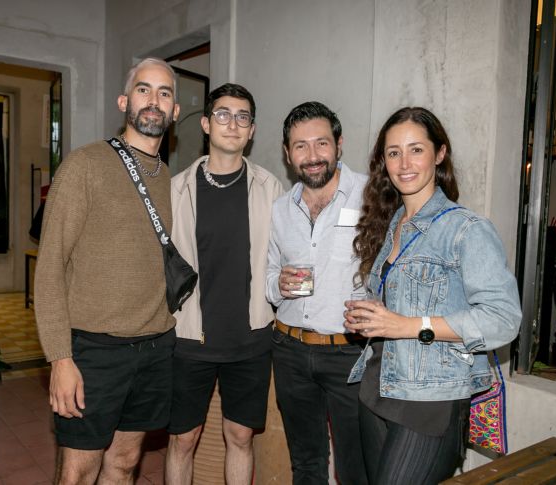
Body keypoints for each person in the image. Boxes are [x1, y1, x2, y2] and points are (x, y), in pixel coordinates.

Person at [344, 106, 522, 484]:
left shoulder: (466, 229)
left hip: (430, 401)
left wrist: (408, 325)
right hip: (377, 386)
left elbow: (503, 319)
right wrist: (371, 318)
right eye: (393, 152)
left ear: (439, 154)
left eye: (416, 149)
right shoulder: (392, 223)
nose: (404, 163)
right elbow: (403, 307)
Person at [33, 57, 180, 484]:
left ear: (173, 112)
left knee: (126, 460)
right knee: (79, 470)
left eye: (164, 93)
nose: (153, 100)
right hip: (94, 352)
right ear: (124, 102)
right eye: (143, 89)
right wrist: (60, 358)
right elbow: (50, 267)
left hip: (155, 349)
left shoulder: (170, 178)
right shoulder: (85, 166)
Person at [165, 83, 283, 485]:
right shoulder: (175, 189)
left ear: (251, 131)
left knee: (240, 436)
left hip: (250, 338)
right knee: (183, 439)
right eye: (223, 114)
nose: (233, 124)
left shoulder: (271, 190)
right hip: (188, 337)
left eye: (243, 117)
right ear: (205, 124)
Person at [266, 101, 369, 485]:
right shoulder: (280, 209)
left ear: (339, 144)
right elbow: (268, 273)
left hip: (350, 352)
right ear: (287, 153)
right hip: (291, 350)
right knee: (306, 463)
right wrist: (277, 284)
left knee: (354, 466)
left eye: (321, 144)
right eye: (300, 146)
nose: (312, 156)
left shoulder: (373, 195)